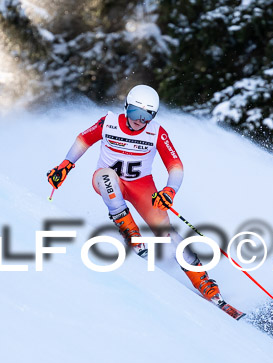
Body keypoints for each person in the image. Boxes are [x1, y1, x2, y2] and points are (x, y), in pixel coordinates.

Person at [47, 84, 223, 302]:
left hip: (142, 186)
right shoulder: (108, 123)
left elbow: (175, 165)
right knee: (106, 176)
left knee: (167, 232)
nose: (140, 120)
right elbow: (83, 140)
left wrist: (169, 190)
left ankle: (203, 281)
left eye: (147, 115)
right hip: (109, 182)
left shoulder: (156, 131)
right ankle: (129, 232)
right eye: (135, 113)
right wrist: (65, 165)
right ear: (126, 108)